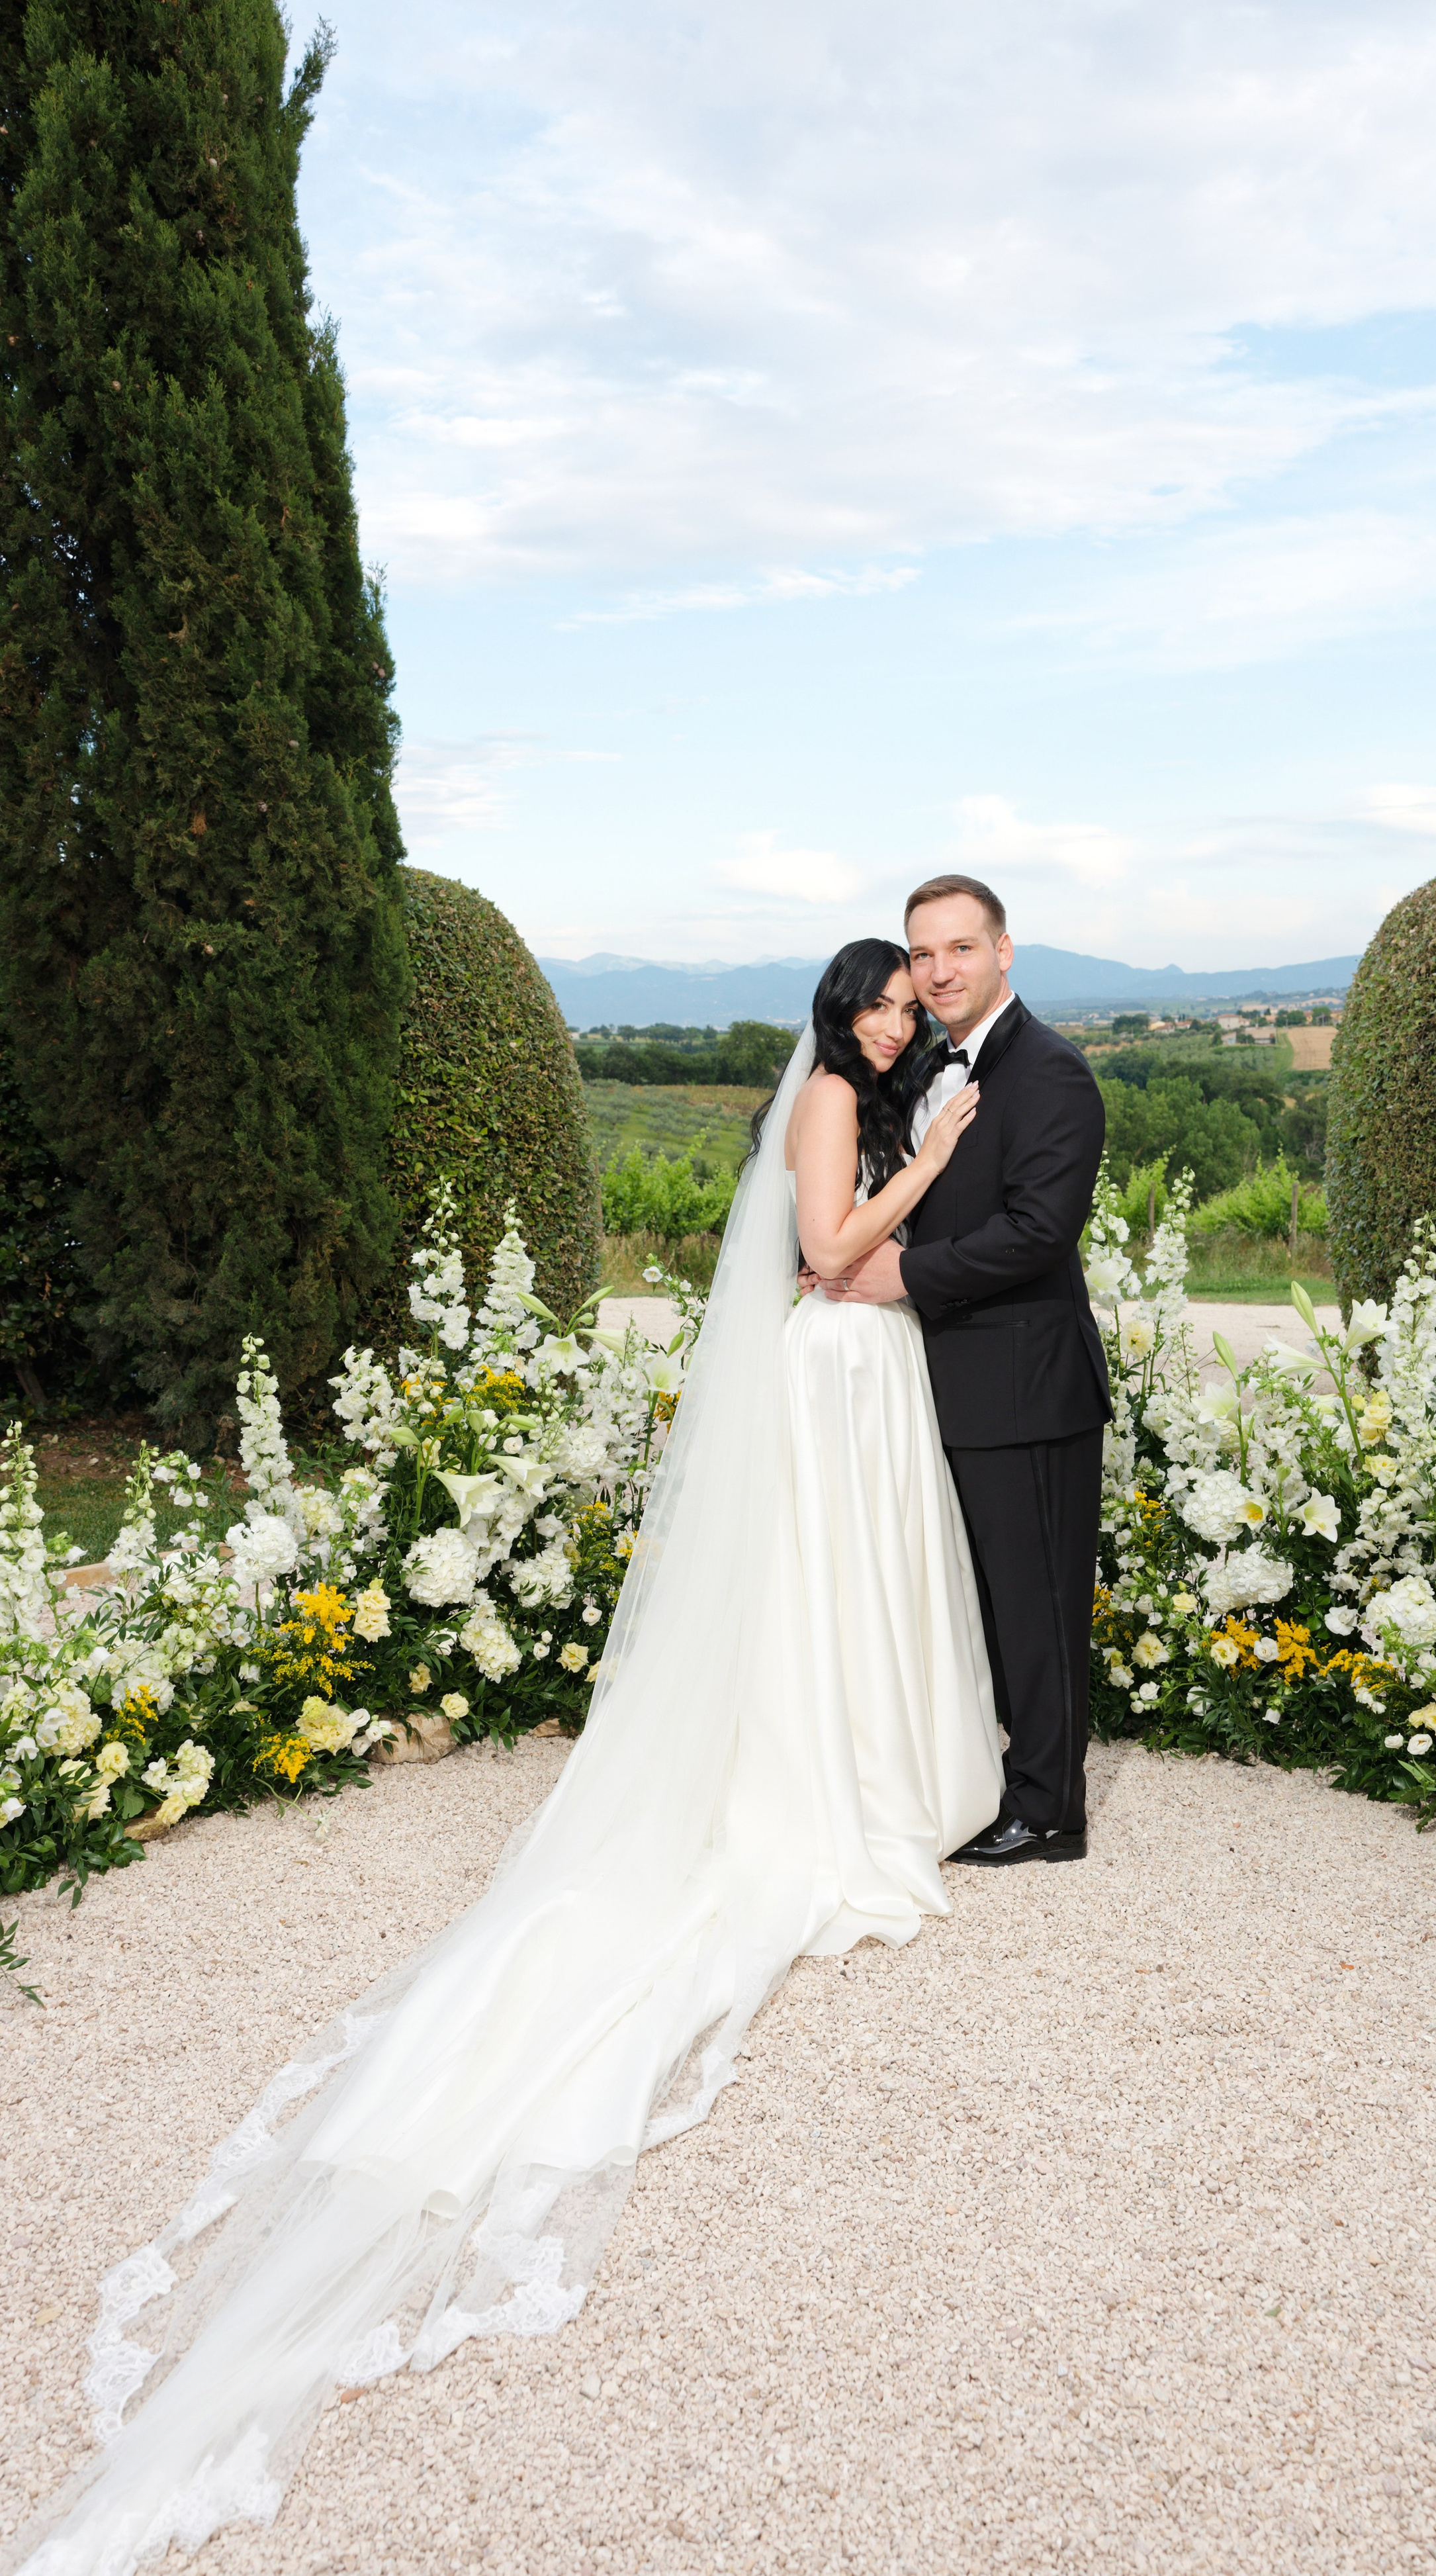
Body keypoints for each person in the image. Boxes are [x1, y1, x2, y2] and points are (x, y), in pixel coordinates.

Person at [5, 939, 1003, 2576]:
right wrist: (937, 1166)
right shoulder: (834, 1098)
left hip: (861, 1384)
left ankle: (879, 1755)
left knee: (853, 1603)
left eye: (909, 998)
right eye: (878, 996)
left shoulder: (868, 1087)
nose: (895, 1017)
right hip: (829, 1367)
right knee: (814, 1607)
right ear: (839, 1014)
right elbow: (824, 1253)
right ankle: (828, 1789)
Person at [822, 874, 1110, 1863]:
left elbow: (1038, 1232)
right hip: (949, 1383)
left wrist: (906, 1274)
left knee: (1037, 1603)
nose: (940, 971)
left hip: (1028, 1386)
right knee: (985, 1599)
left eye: (961, 950)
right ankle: (1002, 1778)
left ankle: (1050, 1812)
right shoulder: (937, 1068)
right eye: (924, 954)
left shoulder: (1051, 1073)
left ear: (1004, 952)